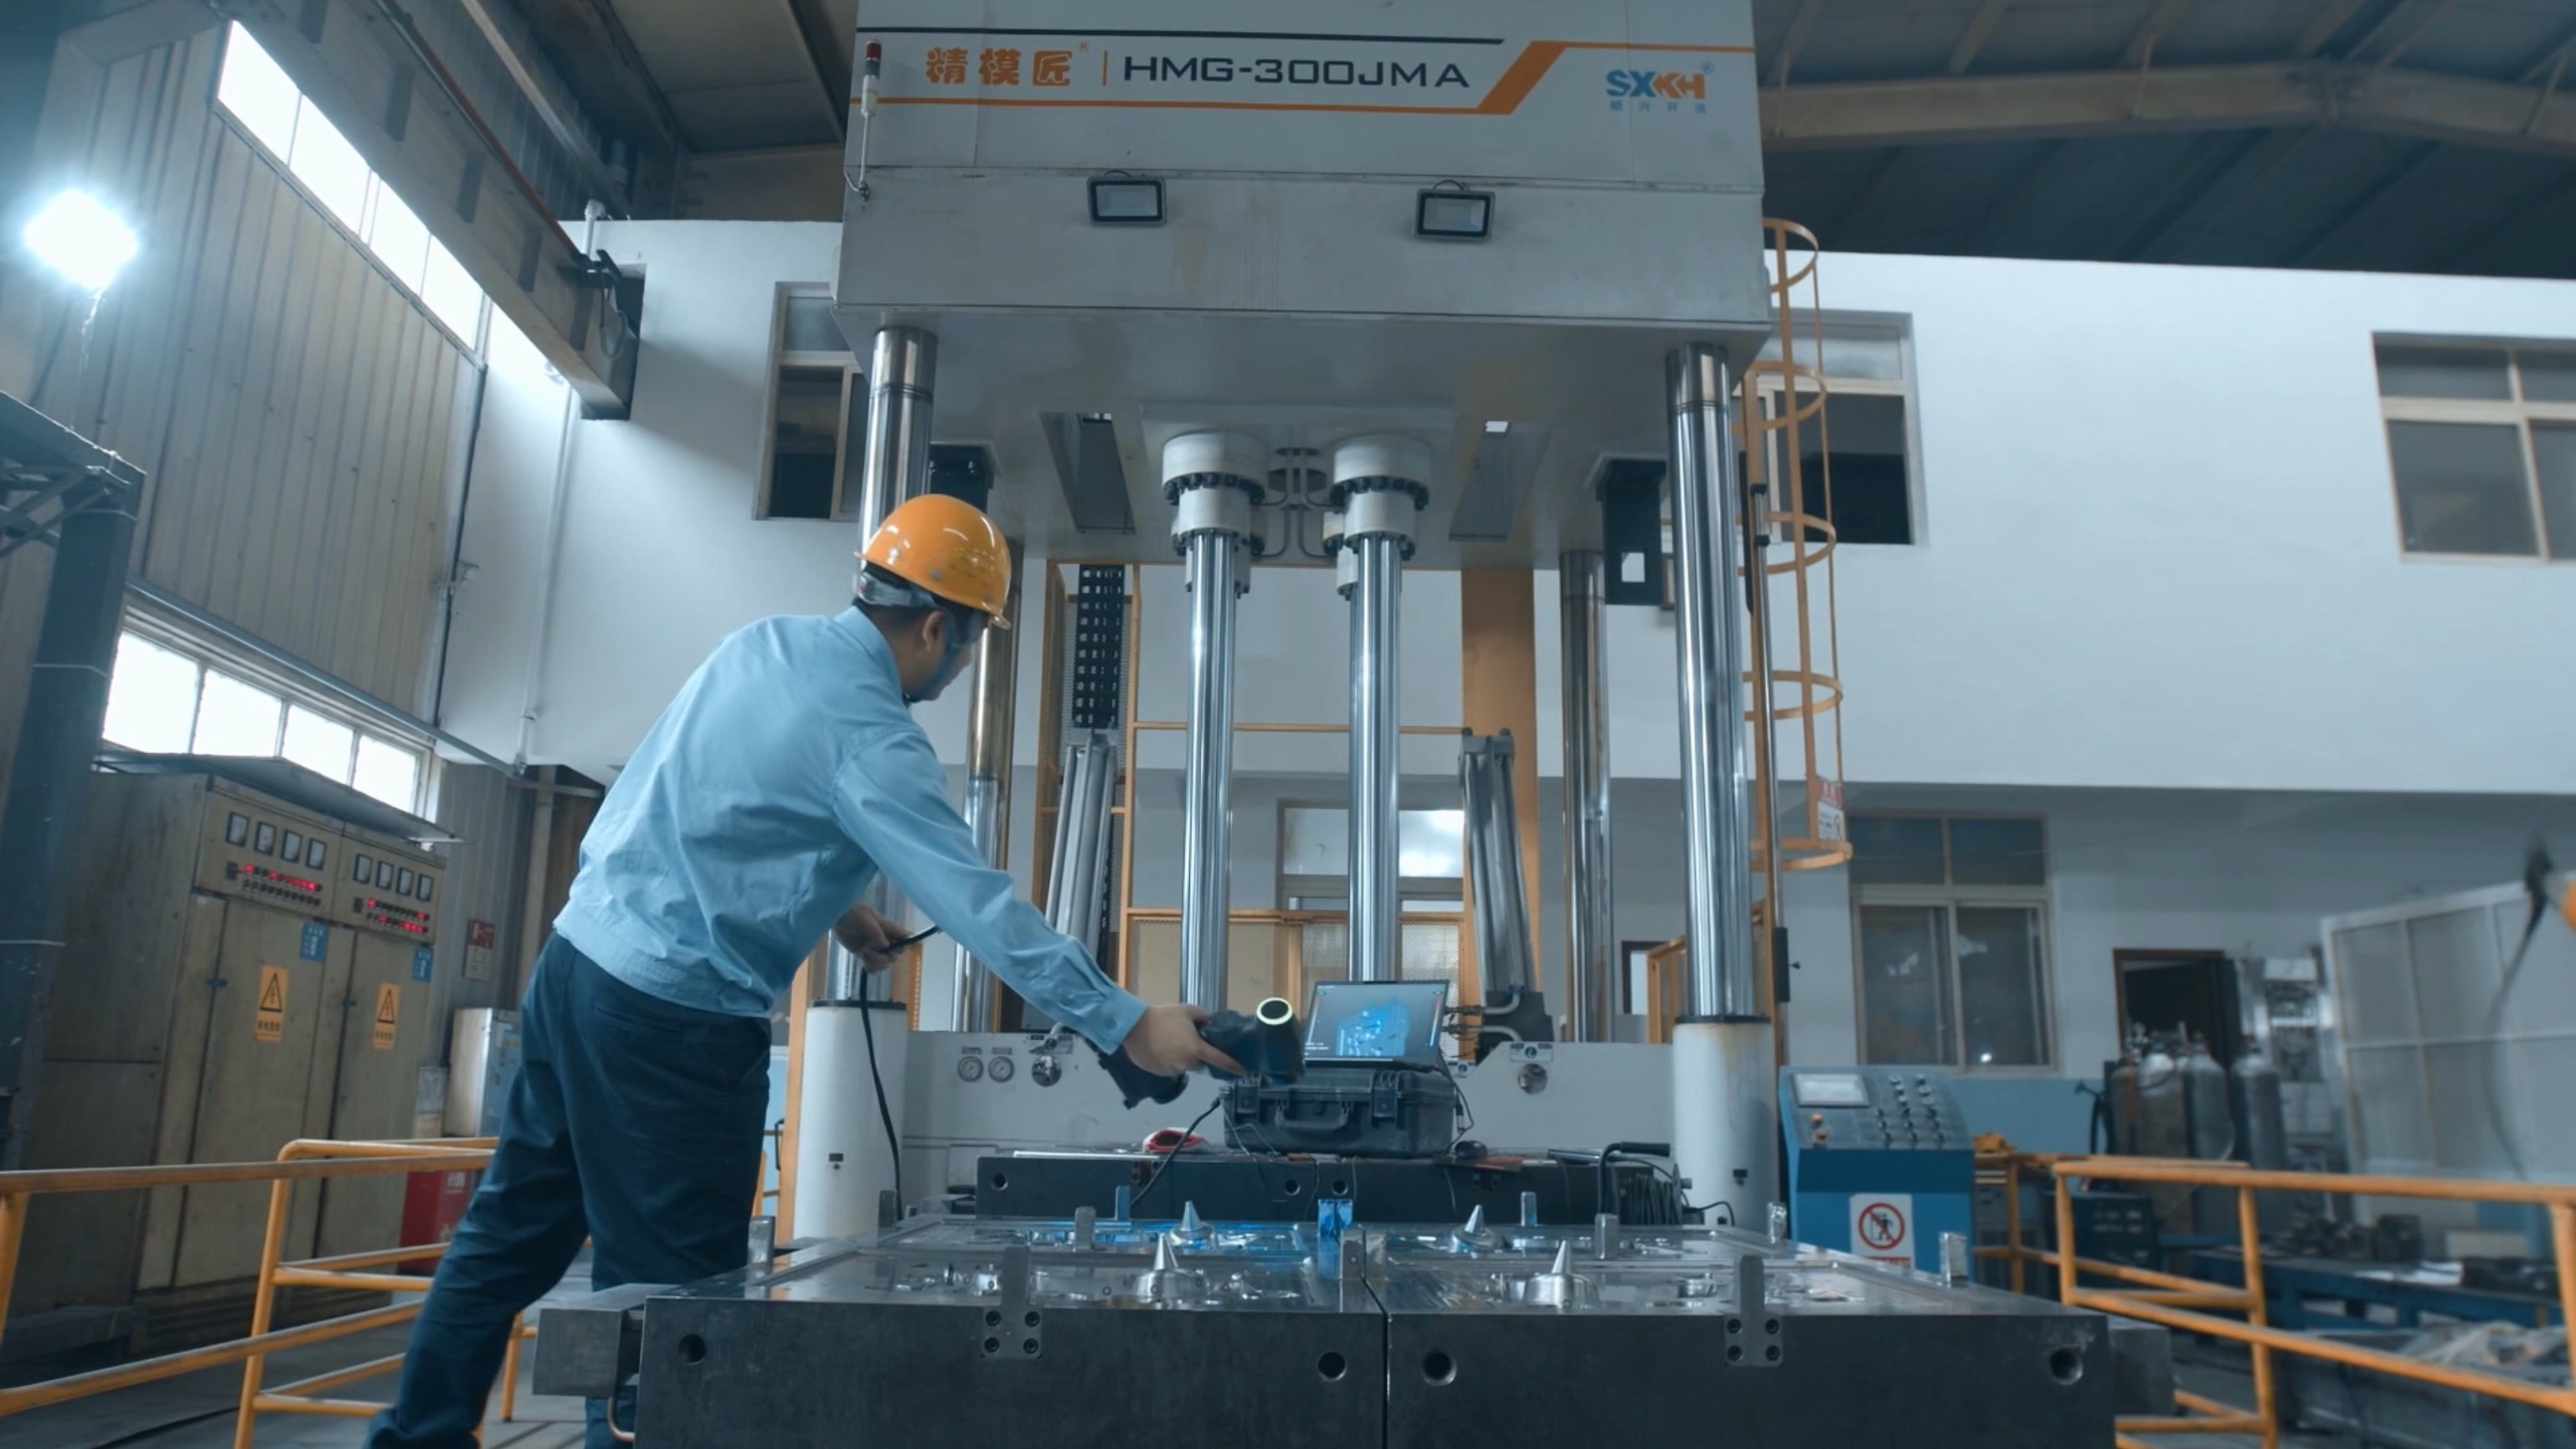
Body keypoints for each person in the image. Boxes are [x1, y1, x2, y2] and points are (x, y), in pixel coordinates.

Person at [367, 495, 1239, 1449]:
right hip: (672, 1028)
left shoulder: (762, 644)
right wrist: (1127, 1020)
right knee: (671, 1306)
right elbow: (978, 905)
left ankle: (413, 1437)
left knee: (506, 1237)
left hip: (575, 968)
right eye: (970, 642)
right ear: (937, 627)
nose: (960, 667)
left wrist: (834, 905)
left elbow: (701, 801)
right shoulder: (873, 736)